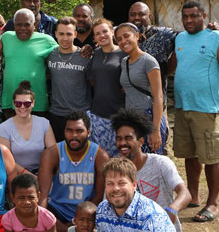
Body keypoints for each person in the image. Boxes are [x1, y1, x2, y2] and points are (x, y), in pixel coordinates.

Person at [173, 0, 219, 222]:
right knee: (190, 153)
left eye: (194, 16)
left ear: (204, 15)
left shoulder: (216, 38)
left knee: (211, 156)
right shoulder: (180, 39)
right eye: (185, 17)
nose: (189, 20)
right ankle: (193, 196)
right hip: (183, 106)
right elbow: (175, 66)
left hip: (207, 107)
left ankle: (212, 204)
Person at [112, 108, 191, 232]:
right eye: (119, 139)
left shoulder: (161, 163)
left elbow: (185, 194)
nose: (122, 143)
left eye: (128, 138)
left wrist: (173, 210)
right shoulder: (114, 170)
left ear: (141, 141)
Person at [38, 111, 109, 232]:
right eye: (69, 130)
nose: (74, 135)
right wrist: (41, 215)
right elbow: (43, 194)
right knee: (39, 210)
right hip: (57, 211)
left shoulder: (100, 155)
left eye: (79, 131)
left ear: (88, 132)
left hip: (86, 212)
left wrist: (78, 221)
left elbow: (99, 196)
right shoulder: (52, 153)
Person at [115, 22, 166, 154]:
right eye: (119, 39)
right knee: (135, 163)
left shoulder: (148, 61)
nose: (123, 41)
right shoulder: (124, 61)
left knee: (151, 163)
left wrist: (154, 131)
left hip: (148, 118)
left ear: (137, 36)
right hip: (131, 119)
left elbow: (158, 97)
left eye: (126, 36)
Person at [2, 8, 58, 117]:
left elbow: (66, 52)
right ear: (14, 25)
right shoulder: (6, 38)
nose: (23, 28)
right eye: (19, 24)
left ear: (35, 25)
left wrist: (85, 50)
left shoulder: (46, 40)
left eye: (27, 25)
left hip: (37, 103)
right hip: (10, 102)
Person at [47, 16, 91, 142]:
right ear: (55, 34)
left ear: (75, 34)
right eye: (61, 34)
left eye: (69, 34)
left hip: (81, 114)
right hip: (56, 113)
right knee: (59, 153)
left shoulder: (85, 55)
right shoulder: (50, 54)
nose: (65, 38)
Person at [0, 81, 56, 175]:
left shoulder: (44, 123)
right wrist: (28, 175)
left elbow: (53, 152)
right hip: (15, 173)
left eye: (27, 104)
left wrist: (44, 173)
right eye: (18, 103)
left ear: (33, 103)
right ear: (13, 103)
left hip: (41, 171)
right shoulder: (4, 128)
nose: (23, 107)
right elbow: (5, 160)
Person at [87, 18, 126, 157]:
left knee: (119, 158)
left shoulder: (123, 53)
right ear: (94, 37)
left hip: (119, 114)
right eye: (97, 33)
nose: (102, 35)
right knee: (100, 158)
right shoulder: (94, 54)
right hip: (97, 114)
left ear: (112, 32)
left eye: (105, 31)